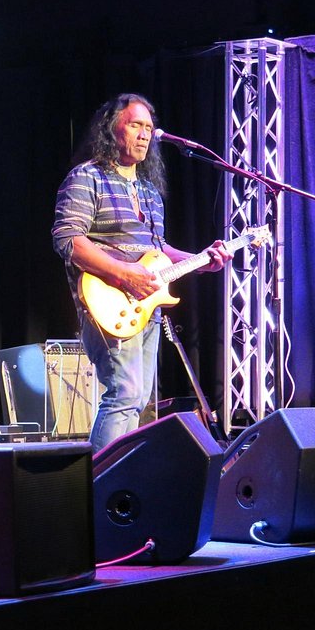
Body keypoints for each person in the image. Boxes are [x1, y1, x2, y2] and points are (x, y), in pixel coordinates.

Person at [52, 93, 232, 452]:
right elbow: (68, 240)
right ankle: (101, 488)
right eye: (135, 125)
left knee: (136, 399)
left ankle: (117, 486)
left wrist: (200, 258)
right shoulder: (87, 178)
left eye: (148, 127)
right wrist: (124, 274)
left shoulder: (150, 191)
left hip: (146, 307)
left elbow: (156, 250)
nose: (144, 134)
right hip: (107, 304)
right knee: (125, 393)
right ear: (111, 128)